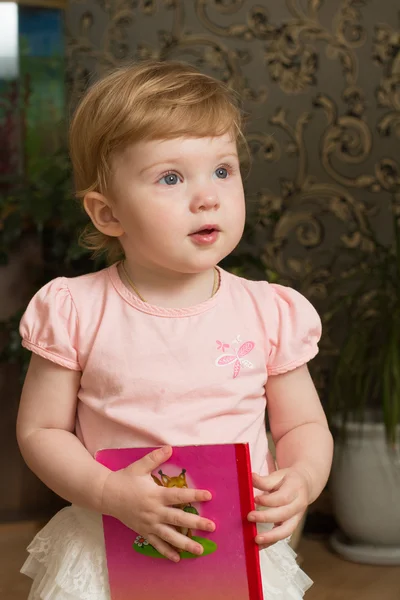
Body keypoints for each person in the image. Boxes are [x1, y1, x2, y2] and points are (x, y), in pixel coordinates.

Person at [16, 60, 333, 600]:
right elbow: (40, 432)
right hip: (111, 541)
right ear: (108, 213)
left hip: (233, 545)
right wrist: (109, 491)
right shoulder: (76, 309)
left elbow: (303, 425)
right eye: (170, 177)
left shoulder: (268, 311)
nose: (207, 196)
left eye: (222, 170)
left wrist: (301, 479)